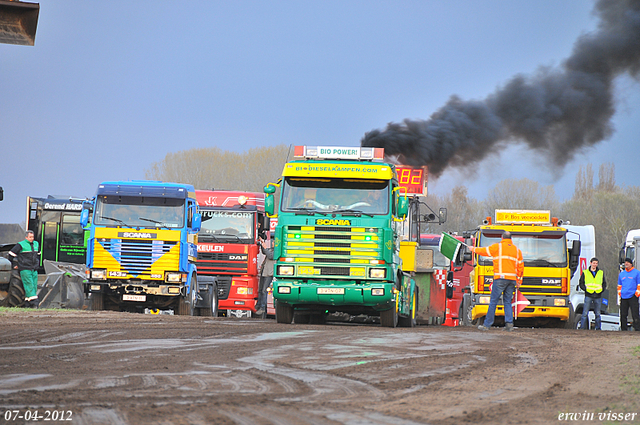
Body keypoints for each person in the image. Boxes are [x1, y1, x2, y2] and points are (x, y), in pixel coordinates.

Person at [470, 231, 524, 331]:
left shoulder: (497, 247)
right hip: (512, 280)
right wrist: (519, 282)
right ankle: (509, 324)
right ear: (511, 239)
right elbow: (521, 268)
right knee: (508, 302)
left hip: (500, 279)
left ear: (501, 237)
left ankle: (487, 325)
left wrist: (473, 249)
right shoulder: (517, 251)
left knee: (493, 301)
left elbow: (484, 251)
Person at [8, 230, 40, 308]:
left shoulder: (36, 244)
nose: (32, 238)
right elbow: (11, 254)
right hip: (25, 268)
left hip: (34, 269)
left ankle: (28, 303)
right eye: (30, 237)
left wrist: (37, 264)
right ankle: (35, 303)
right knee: (29, 285)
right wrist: (15, 264)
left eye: (32, 237)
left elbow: (38, 255)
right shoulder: (20, 245)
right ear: (26, 237)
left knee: (34, 286)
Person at [578, 257, 607, 330]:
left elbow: (604, 283)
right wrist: (586, 290)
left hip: (597, 295)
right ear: (590, 263)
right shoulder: (585, 272)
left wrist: (601, 290)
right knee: (585, 313)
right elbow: (581, 283)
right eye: (594, 263)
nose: (595, 265)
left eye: (596, 263)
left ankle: (598, 328)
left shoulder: (601, 272)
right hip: (589, 295)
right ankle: (582, 328)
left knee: (597, 313)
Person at [617, 258, 640, 331]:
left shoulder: (636, 273)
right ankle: (623, 329)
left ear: (631, 264)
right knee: (623, 314)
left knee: (635, 313)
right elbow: (619, 285)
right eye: (625, 263)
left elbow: (639, 284)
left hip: (633, 296)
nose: (626, 264)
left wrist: (636, 294)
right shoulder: (622, 274)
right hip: (624, 296)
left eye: (627, 263)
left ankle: (637, 328)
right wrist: (620, 293)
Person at [255, 236, 273, 317]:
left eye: (273, 242)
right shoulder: (271, 249)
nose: (272, 243)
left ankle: (262, 307)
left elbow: (270, 256)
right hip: (264, 272)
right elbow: (264, 252)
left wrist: (265, 247)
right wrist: (262, 244)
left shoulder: (276, 251)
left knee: (264, 291)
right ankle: (258, 305)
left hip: (269, 273)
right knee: (260, 290)